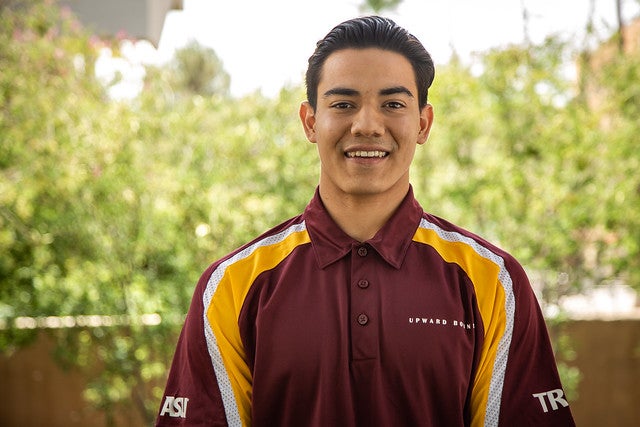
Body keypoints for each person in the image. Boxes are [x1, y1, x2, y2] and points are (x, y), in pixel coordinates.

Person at [155, 16, 576, 427]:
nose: (367, 125)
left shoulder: (492, 281)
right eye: (343, 104)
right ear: (310, 121)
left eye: (393, 104)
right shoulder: (232, 286)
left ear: (423, 123)